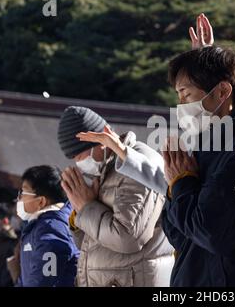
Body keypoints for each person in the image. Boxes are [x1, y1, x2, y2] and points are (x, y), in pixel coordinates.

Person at [78, 13, 235, 287]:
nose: (181, 106)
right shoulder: (213, 146)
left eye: (186, 95)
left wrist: (182, 185)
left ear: (222, 92)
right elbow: (180, 233)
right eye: (178, 97)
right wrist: (177, 187)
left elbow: (213, 232)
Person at [58, 106, 174, 287]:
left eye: (80, 154)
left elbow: (129, 238)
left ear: (102, 139)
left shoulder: (137, 163)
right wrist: (78, 214)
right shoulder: (102, 173)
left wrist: (86, 208)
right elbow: (89, 244)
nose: (78, 163)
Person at [15, 165, 79, 287]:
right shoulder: (39, 226)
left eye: (23, 192)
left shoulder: (52, 229)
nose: (19, 198)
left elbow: (44, 280)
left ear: (41, 201)